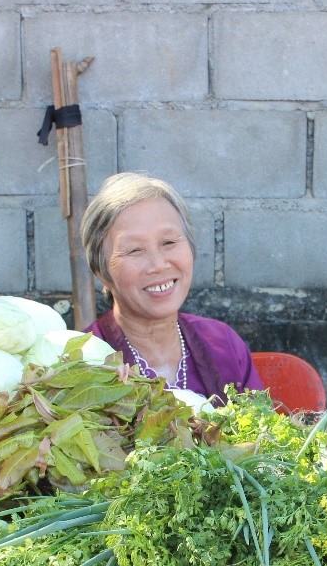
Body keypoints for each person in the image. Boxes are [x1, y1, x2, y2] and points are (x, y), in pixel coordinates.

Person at [81, 171, 265, 403]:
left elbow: (262, 422)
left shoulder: (224, 344)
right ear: (100, 271)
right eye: (135, 250)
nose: (158, 265)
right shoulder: (81, 365)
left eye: (169, 242)